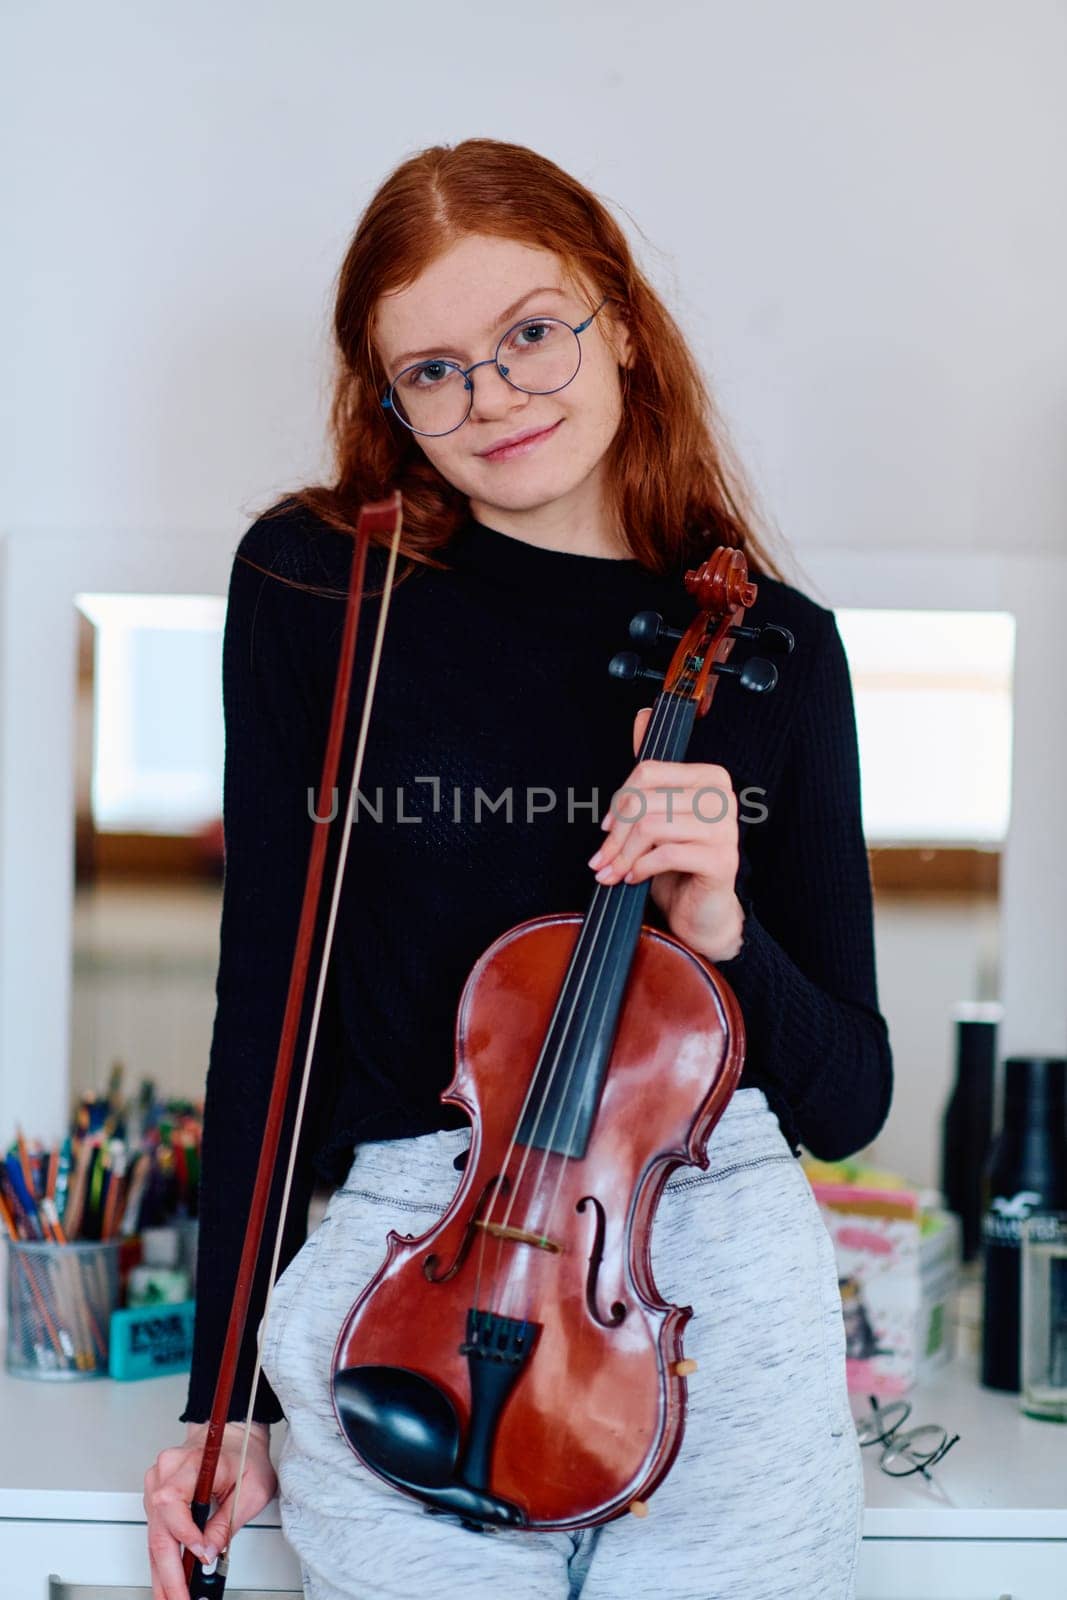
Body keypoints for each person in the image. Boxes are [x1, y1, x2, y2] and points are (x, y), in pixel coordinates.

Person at [143, 137, 892, 1600]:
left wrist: (724, 929)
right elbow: (270, 1017)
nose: (490, 401)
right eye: (432, 372)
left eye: (530, 336)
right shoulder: (320, 588)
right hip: (410, 1276)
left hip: (704, 1284)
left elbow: (850, 1098)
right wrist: (217, 1395)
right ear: (388, 398)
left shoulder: (775, 650)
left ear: (614, 313)